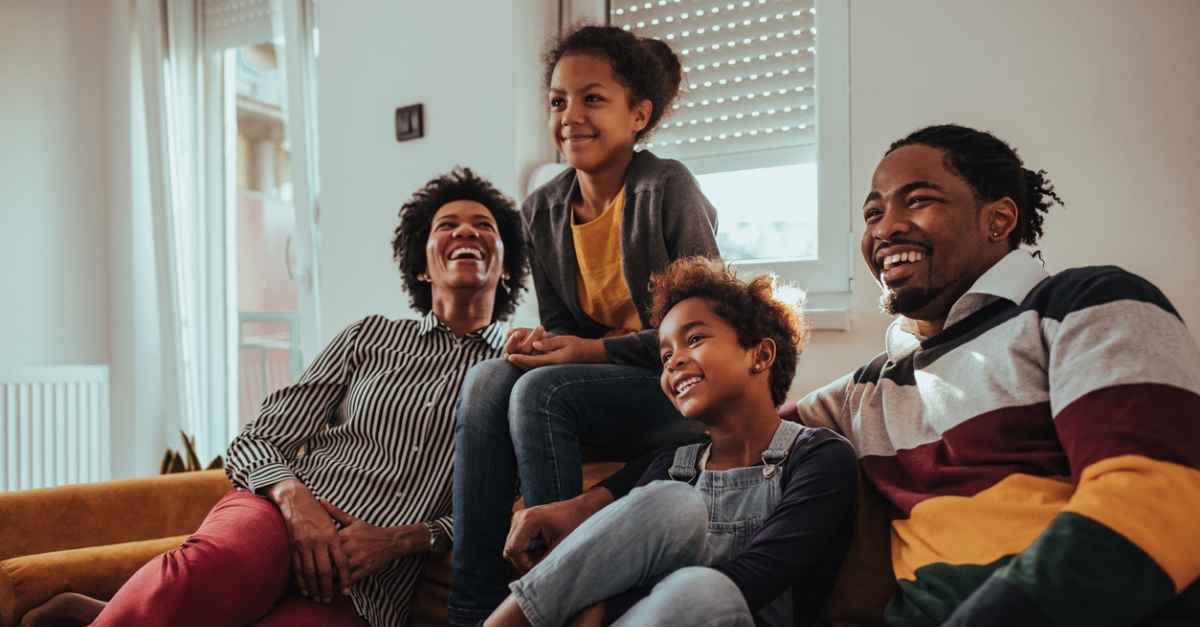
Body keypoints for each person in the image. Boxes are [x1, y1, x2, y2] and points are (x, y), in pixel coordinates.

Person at [507, 124, 1200, 626]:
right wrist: (584, 505)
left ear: (1000, 219)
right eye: (872, 212)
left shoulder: (1088, 301)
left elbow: (1156, 498)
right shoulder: (870, 388)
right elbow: (730, 445)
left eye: (916, 200)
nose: (884, 227)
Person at [20, 168, 529, 627]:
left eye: (485, 226)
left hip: (368, 587)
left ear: (506, 266)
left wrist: (403, 540)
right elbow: (256, 440)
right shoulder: (368, 336)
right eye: (448, 225)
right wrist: (294, 501)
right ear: (422, 265)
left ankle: (90, 613)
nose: (466, 231)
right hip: (277, 522)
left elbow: (503, 509)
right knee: (194, 580)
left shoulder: (518, 372)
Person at [449, 24, 720, 625]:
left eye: (592, 98)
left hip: (678, 392)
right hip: (607, 395)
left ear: (638, 114)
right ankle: (470, 610)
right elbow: (564, 327)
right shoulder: (542, 209)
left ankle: (563, 600)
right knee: (490, 380)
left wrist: (589, 354)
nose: (570, 115)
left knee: (544, 389)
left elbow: (706, 335)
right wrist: (538, 343)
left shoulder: (667, 186)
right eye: (558, 100)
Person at [483, 257, 857, 627]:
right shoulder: (671, 468)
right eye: (665, 356)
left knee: (703, 588)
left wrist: (599, 614)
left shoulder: (820, 457)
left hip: (728, 613)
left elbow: (757, 577)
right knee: (674, 501)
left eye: (693, 339)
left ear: (760, 355)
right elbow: (618, 552)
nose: (674, 361)